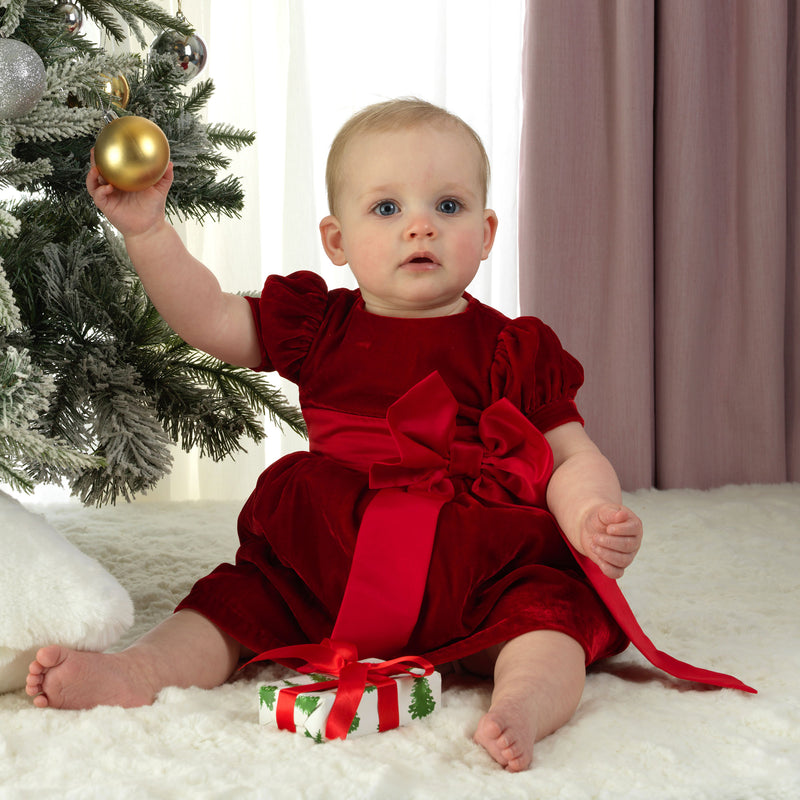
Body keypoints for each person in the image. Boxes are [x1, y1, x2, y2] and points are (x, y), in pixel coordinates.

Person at [27, 98, 644, 772]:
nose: (419, 228)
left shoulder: (514, 347)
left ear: (488, 230)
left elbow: (570, 453)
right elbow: (208, 317)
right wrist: (147, 233)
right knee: (238, 600)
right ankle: (141, 670)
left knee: (548, 618)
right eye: (386, 209)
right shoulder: (318, 324)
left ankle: (521, 703)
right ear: (336, 240)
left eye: (448, 206)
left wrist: (589, 512)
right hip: (331, 553)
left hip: (475, 560)